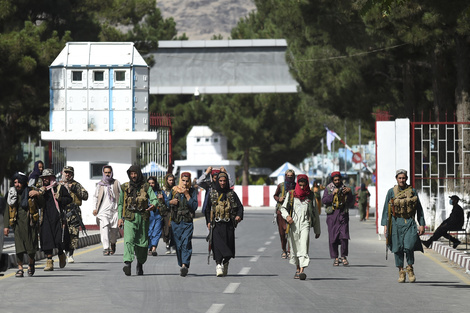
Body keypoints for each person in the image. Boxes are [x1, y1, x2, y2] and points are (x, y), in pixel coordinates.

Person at [381, 169, 425, 283]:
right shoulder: (391, 192)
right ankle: (401, 271)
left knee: (409, 246)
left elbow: (419, 209)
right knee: (397, 248)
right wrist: (385, 226)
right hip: (395, 223)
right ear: (396, 178)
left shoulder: (412, 191)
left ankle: (410, 268)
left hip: (409, 222)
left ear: (406, 179)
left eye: (403, 178)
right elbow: (386, 210)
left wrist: (422, 224)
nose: (402, 180)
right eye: (399, 178)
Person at [118, 165, 158, 276]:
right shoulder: (125, 187)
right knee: (129, 240)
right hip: (130, 218)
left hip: (143, 218)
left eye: (135, 173)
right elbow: (121, 203)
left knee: (142, 243)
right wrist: (120, 218)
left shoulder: (146, 187)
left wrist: (153, 205)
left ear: (139, 174)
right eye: (131, 174)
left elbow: (154, 199)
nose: (133, 176)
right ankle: (128, 263)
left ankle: (140, 264)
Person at [30, 168, 72, 271]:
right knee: (47, 239)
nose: (45, 180)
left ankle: (61, 254)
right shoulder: (41, 190)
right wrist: (38, 194)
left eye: (46, 178)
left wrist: (60, 198)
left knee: (58, 240)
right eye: (43, 178)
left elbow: (69, 199)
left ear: (51, 178)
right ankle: (49, 262)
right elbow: (38, 205)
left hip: (57, 218)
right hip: (45, 218)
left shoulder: (59, 188)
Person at [281, 174, 321, 280]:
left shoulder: (311, 195)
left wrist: (317, 230)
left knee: (303, 246)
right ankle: (297, 268)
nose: (302, 188)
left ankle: (302, 271)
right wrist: (287, 216)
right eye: (300, 185)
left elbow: (316, 213)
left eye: (304, 185)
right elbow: (283, 209)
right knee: (295, 248)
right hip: (293, 225)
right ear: (297, 184)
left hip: (305, 224)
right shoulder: (291, 194)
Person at [205, 172, 244, 277]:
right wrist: (208, 221)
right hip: (216, 225)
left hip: (229, 225)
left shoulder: (231, 194)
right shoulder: (213, 194)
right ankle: (218, 265)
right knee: (217, 246)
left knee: (229, 250)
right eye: (220, 181)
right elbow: (207, 209)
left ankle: (225, 262)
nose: (222, 183)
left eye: (224, 181)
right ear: (217, 181)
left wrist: (238, 216)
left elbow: (240, 207)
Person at [4, 172, 39, 277]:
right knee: (19, 248)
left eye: (19, 182)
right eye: (15, 182)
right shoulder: (12, 194)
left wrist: (37, 194)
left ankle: (31, 264)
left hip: (30, 224)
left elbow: (41, 204)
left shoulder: (30, 191)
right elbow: (7, 209)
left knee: (31, 248)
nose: (17, 185)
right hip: (17, 224)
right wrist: (6, 226)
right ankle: (20, 269)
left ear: (23, 182)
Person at [164, 172, 198, 277]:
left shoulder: (192, 191)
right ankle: (182, 263)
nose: (185, 183)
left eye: (187, 181)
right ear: (180, 180)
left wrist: (187, 195)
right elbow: (166, 201)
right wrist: (171, 202)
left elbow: (195, 206)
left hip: (187, 222)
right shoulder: (174, 190)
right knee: (178, 245)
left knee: (186, 243)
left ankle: (184, 265)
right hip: (176, 222)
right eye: (183, 180)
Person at [322, 171, 354, 267]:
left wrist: (350, 192)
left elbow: (351, 201)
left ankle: (343, 257)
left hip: (343, 214)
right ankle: (335, 257)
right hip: (332, 215)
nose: (337, 181)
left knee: (344, 236)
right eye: (335, 180)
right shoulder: (328, 188)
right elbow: (324, 200)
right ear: (332, 180)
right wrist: (332, 194)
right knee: (333, 237)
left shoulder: (345, 188)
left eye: (338, 179)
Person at [60, 166, 88, 263]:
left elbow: (85, 196)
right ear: (62, 173)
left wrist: (75, 189)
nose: (68, 175)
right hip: (62, 212)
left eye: (70, 173)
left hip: (73, 212)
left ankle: (70, 253)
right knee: (62, 233)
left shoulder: (76, 185)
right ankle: (62, 252)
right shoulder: (58, 185)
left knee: (73, 233)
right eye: (66, 172)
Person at [93, 165, 121, 256]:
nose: (107, 174)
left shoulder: (116, 183)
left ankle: (113, 243)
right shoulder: (100, 184)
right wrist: (94, 208)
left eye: (109, 172)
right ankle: (106, 248)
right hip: (103, 212)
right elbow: (95, 197)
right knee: (104, 229)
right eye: (106, 172)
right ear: (103, 173)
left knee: (114, 230)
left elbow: (121, 196)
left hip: (115, 211)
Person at [273, 169, 296, 259]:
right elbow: (275, 195)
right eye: (288, 176)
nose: (290, 178)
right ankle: (284, 250)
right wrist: (279, 199)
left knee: (290, 232)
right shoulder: (281, 186)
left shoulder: (296, 186)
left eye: (291, 176)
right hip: (281, 211)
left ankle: (290, 250)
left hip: (292, 211)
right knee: (282, 233)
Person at [147, 176, 164, 256]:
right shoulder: (145, 193)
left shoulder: (160, 192)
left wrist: (162, 199)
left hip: (158, 215)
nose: (151, 185)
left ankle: (154, 248)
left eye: (152, 183)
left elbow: (166, 202)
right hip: (148, 216)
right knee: (148, 232)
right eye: (149, 183)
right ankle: (149, 247)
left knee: (157, 232)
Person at [161, 173, 176, 254]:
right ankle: (167, 244)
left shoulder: (176, 188)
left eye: (172, 180)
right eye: (170, 180)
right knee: (166, 228)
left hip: (173, 211)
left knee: (173, 228)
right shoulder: (163, 189)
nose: (171, 182)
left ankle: (173, 245)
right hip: (166, 211)